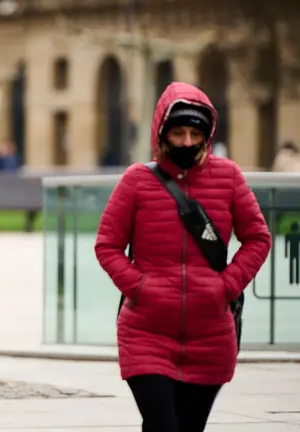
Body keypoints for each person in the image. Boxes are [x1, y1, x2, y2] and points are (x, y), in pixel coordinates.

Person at [94, 81, 271, 432]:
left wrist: (225, 286)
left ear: (207, 135)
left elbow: (258, 238)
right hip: (147, 331)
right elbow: (107, 245)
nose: (187, 142)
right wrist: (141, 287)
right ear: (161, 134)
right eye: (178, 133)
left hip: (211, 335)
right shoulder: (137, 181)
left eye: (195, 133)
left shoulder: (229, 177)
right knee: (162, 425)